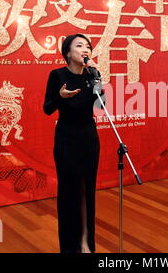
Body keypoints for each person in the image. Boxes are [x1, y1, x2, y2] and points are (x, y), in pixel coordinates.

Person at [43, 33, 104, 253]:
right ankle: (70, 247)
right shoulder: (57, 75)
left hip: (89, 138)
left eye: (88, 46)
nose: (85, 49)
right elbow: (48, 108)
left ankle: (87, 245)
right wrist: (61, 97)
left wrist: (98, 81)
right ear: (68, 52)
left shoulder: (92, 75)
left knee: (88, 191)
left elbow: (100, 107)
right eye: (79, 46)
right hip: (67, 138)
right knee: (70, 192)